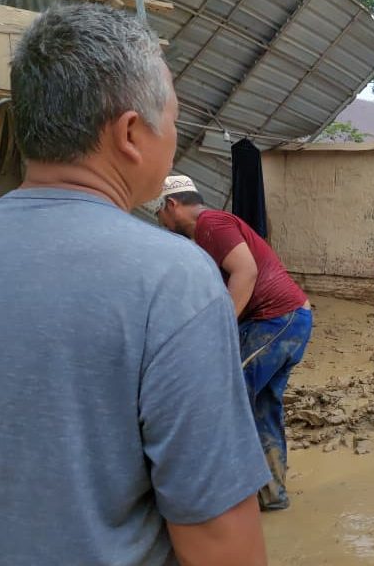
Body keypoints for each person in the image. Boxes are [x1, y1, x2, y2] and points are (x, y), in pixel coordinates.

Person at [0, 5, 269, 565]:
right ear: (131, 132)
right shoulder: (172, 280)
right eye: (174, 122)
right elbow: (223, 548)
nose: (175, 138)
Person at [155, 175, 312, 512]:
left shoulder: (210, 223)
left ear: (171, 205)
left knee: (222, 399)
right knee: (260, 407)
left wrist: (220, 329)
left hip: (275, 320)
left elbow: (246, 271)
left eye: (158, 213)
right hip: (289, 321)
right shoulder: (206, 234)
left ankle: (212, 500)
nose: (160, 221)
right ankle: (271, 495)